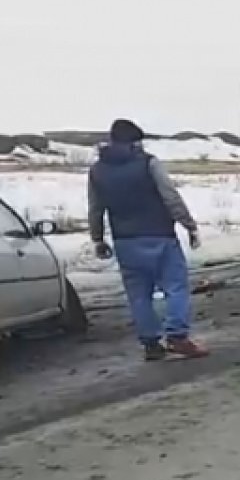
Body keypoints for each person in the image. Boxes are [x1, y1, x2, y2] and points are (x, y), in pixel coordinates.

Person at [88, 119, 208, 360]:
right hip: (159, 235)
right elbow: (170, 196)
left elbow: (95, 208)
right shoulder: (148, 163)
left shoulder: (97, 171)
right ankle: (177, 336)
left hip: (125, 241)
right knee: (176, 287)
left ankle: (151, 344)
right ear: (134, 142)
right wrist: (189, 225)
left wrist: (98, 239)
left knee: (139, 295)